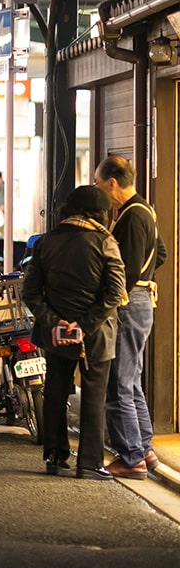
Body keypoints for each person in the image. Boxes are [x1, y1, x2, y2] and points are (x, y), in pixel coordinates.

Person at [22, 184, 126, 480]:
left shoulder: (46, 242)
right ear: (99, 214)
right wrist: (85, 324)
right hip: (96, 332)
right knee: (94, 395)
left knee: (56, 390)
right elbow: (114, 292)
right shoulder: (106, 243)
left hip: (55, 333)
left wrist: (55, 322)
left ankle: (56, 456)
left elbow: (31, 292)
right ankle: (90, 463)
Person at [95, 155, 167, 478]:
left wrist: (109, 300)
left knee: (119, 383)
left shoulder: (131, 216)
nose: (98, 191)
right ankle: (145, 449)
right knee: (132, 380)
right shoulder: (145, 210)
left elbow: (129, 268)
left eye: (99, 184)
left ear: (112, 183)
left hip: (128, 302)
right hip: (142, 301)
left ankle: (131, 456)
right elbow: (160, 253)